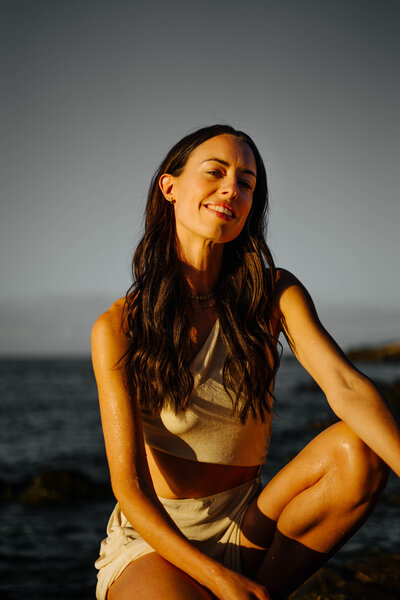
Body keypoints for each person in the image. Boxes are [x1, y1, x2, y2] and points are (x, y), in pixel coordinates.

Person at [91, 124, 399, 600]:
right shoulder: (118, 328)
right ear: (169, 187)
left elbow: (345, 386)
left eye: (247, 182)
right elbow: (129, 488)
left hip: (247, 525)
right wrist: (220, 580)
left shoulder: (274, 292)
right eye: (215, 172)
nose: (232, 188)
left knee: (357, 453)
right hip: (157, 539)